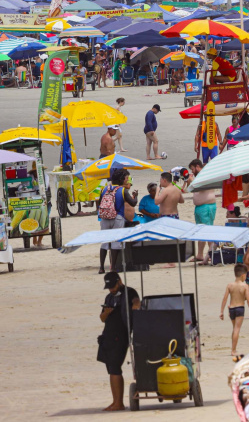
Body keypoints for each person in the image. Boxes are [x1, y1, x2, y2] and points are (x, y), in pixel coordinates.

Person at [98, 271, 140, 412]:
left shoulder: (129, 291)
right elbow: (102, 318)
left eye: (113, 286)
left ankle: (118, 403)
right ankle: (115, 401)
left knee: (115, 367)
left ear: (119, 281)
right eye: (109, 287)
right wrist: (106, 312)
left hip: (121, 335)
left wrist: (135, 306)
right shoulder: (109, 297)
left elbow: (136, 301)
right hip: (108, 335)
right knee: (110, 367)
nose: (112, 289)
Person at [98, 169, 137, 273]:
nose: (127, 180)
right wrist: (135, 196)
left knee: (104, 243)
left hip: (105, 218)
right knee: (116, 243)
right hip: (118, 217)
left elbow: (99, 203)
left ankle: (101, 267)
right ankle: (113, 267)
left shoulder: (104, 189)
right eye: (126, 178)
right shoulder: (122, 190)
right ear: (122, 179)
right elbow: (133, 203)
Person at [220, 264, 249, 360]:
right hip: (240, 308)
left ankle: (233, 348)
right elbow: (248, 300)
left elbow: (225, 299)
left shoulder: (230, 285)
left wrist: (221, 311)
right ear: (243, 275)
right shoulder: (245, 286)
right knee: (237, 329)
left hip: (231, 308)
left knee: (234, 328)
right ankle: (233, 350)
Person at [187, 159, 217, 263]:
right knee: (200, 231)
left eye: (193, 169)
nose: (192, 171)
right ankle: (200, 255)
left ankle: (210, 254)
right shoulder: (198, 177)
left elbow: (200, 188)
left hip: (207, 206)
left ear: (197, 166)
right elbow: (191, 189)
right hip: (200, 207)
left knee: (208, 231)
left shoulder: (205, 174)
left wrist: (191, 181)